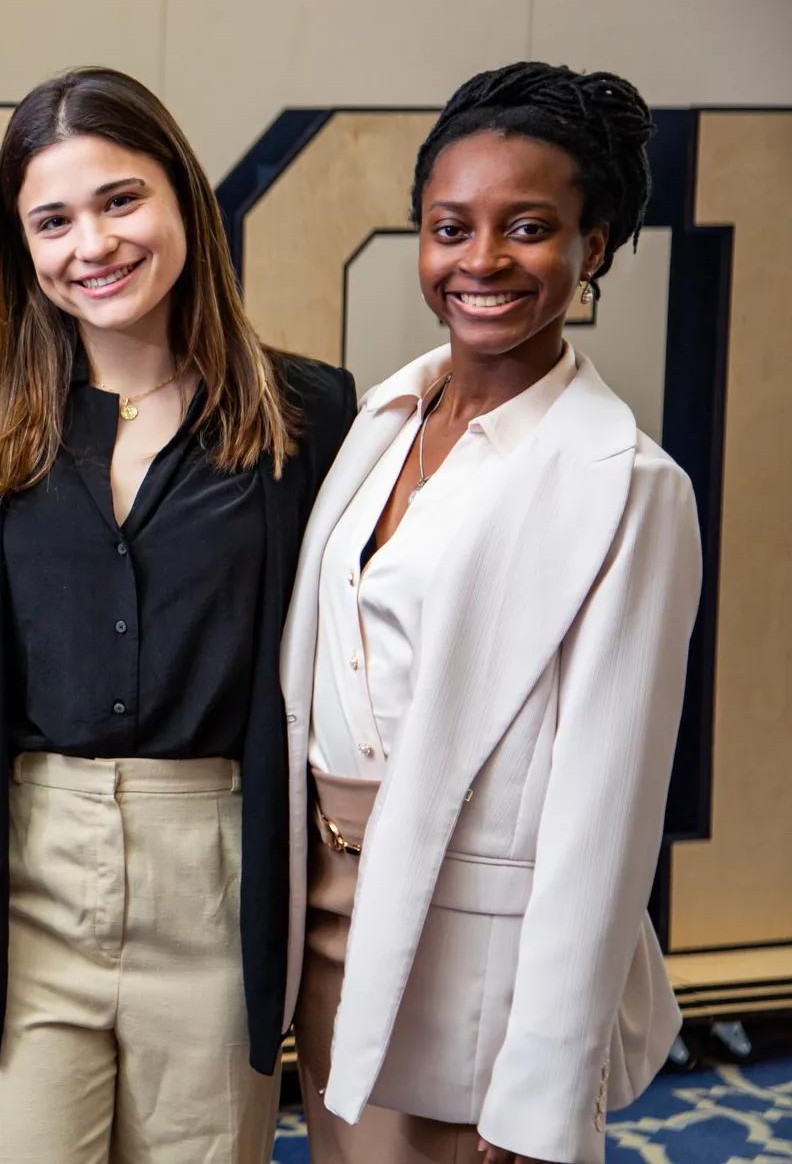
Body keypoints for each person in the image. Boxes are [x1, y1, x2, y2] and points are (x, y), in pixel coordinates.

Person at [0, 66, 356, 1162]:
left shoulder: (312, 412)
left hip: (216, 879)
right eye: (50, 220)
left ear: (182, 198)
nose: (89, 244)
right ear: (20, 247)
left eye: (119, 200)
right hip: (23, 887)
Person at [284, 63, 701, 1164]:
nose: (480, 261)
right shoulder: (379, 416)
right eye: (448, 226)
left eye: (527, 227)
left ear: (592, 246)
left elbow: (604, 816)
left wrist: (542, 1090)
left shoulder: (625, 483)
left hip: (481, 971)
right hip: (327, 924)